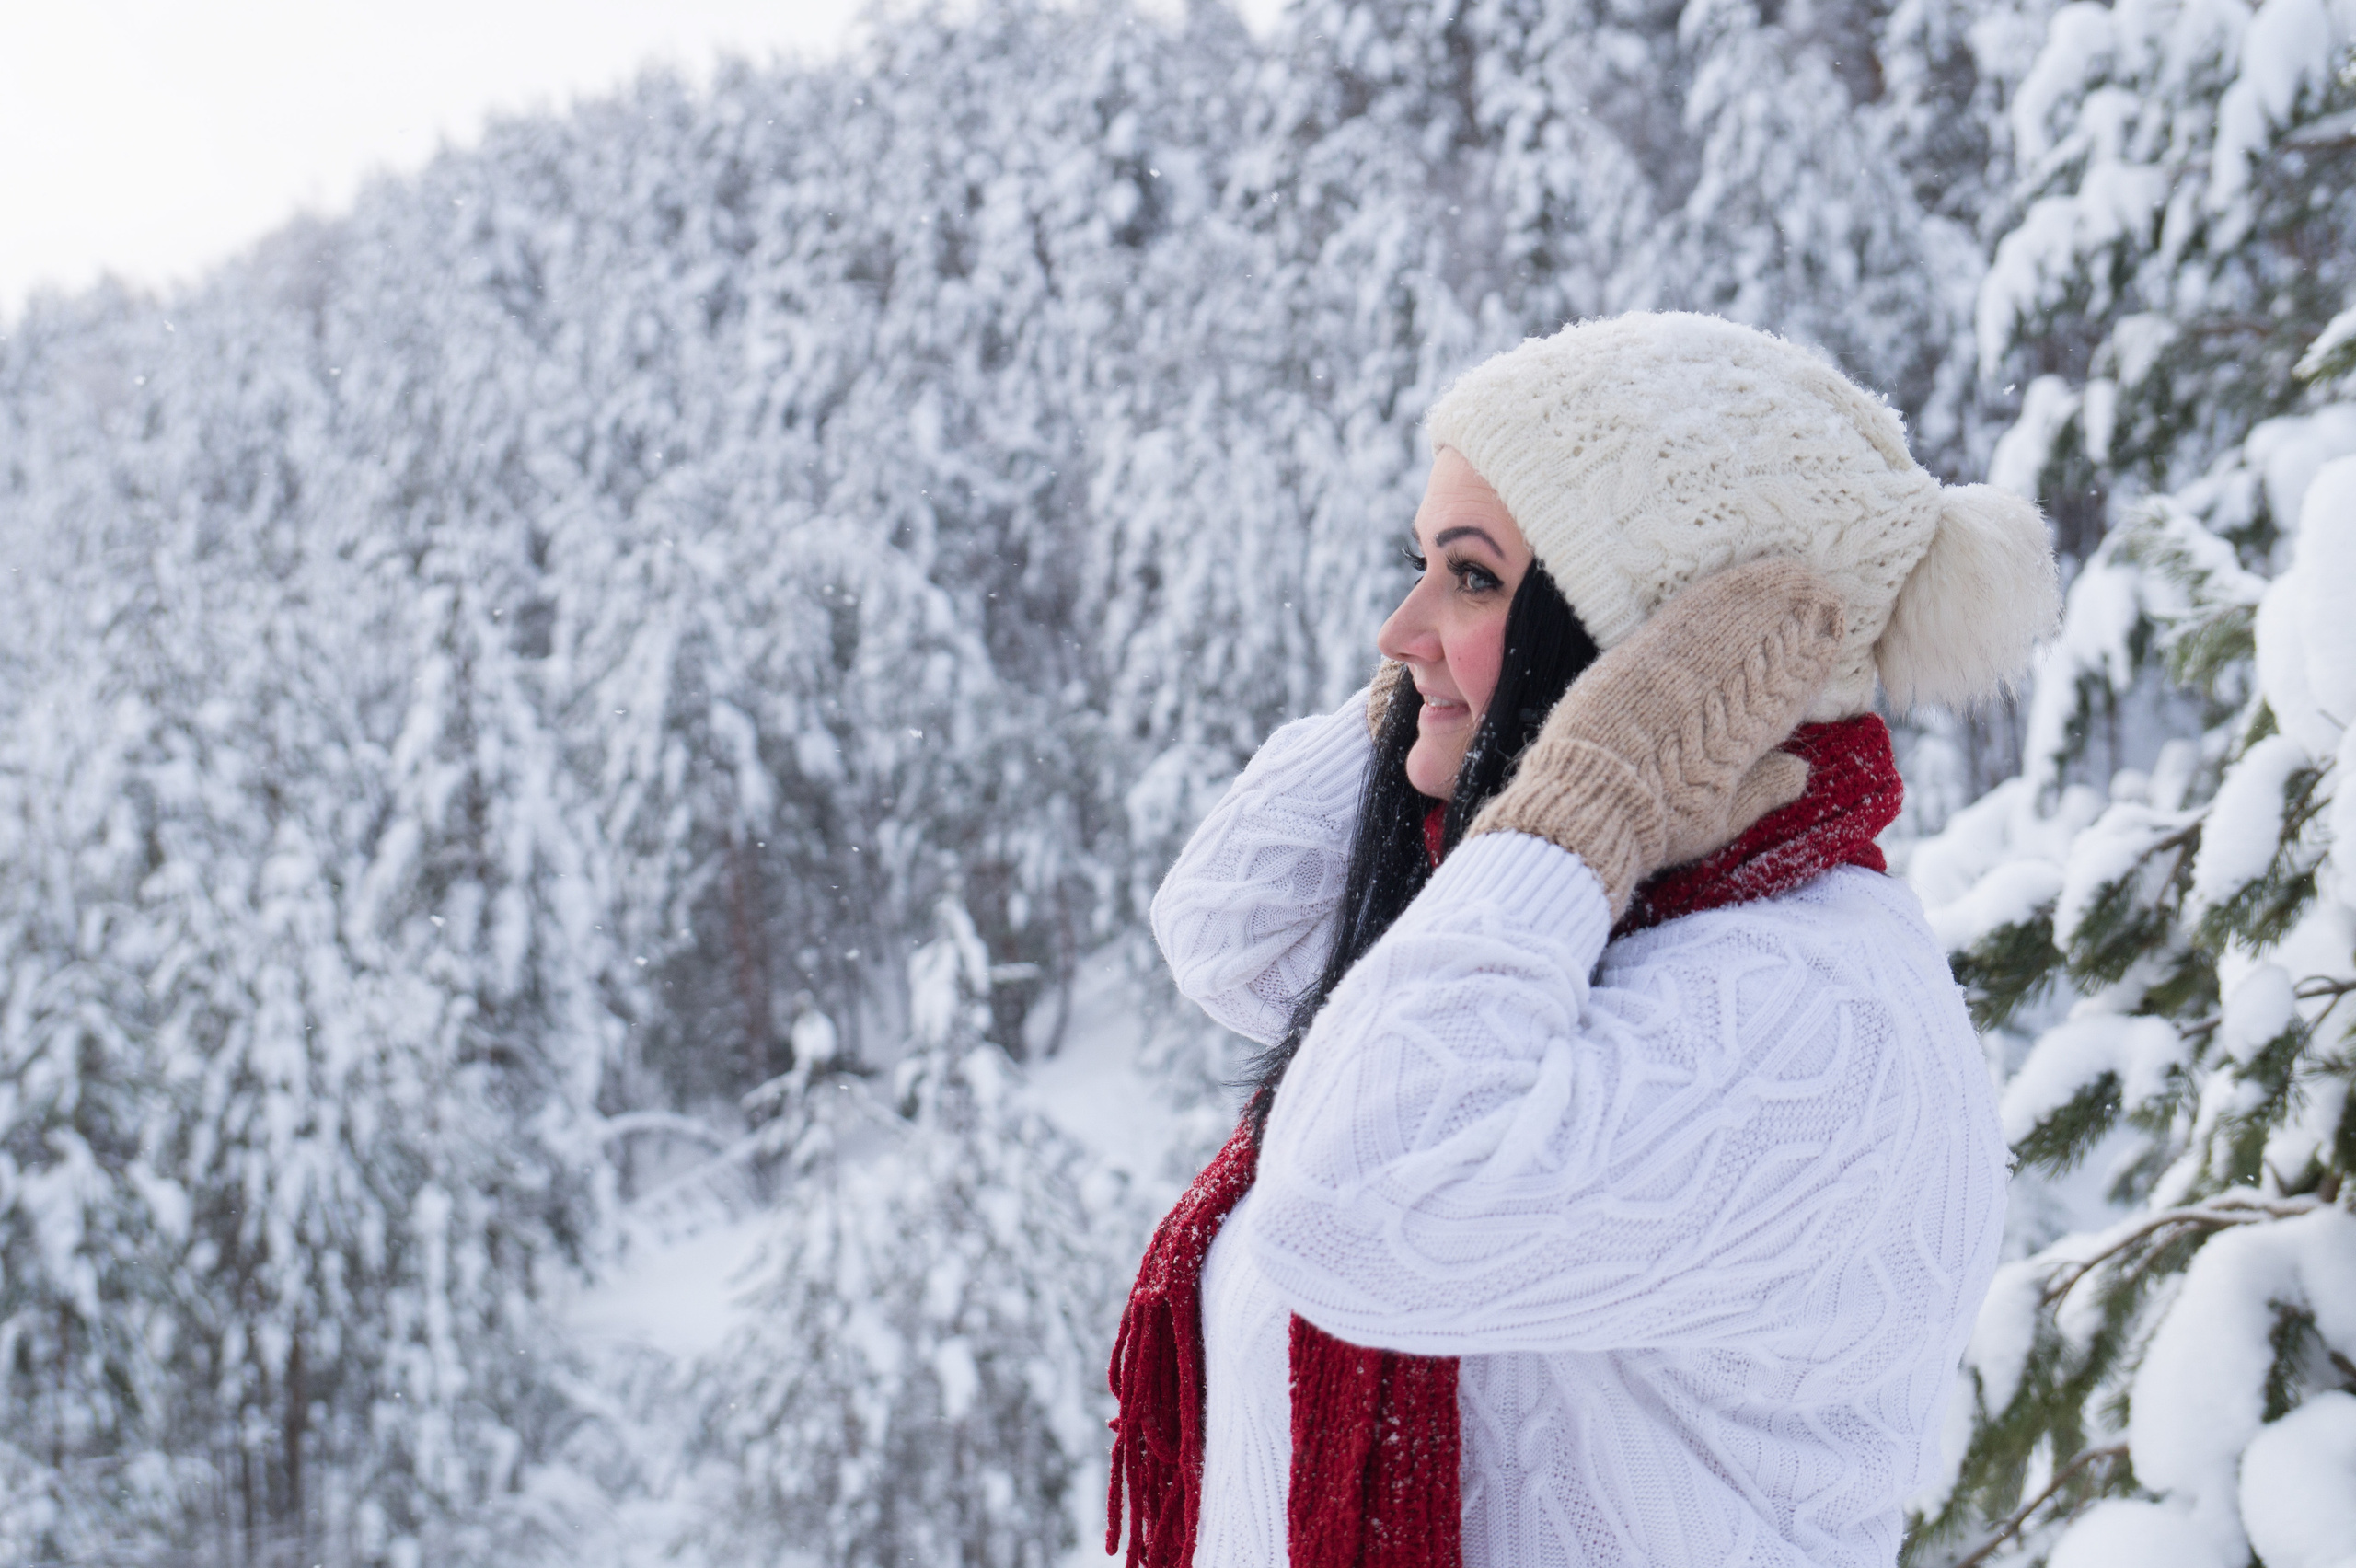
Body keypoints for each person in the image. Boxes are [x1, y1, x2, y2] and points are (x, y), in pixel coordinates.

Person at [1106, 312, 2062, 1568]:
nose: (1396, 632)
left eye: (1472, 577)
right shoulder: (1569, 915)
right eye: (1420, 564)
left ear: (1645, 638)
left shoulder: (1811, 1003)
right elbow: (1231, 921)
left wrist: (1585, 789)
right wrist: (1482, 701)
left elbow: (1356, 1212)